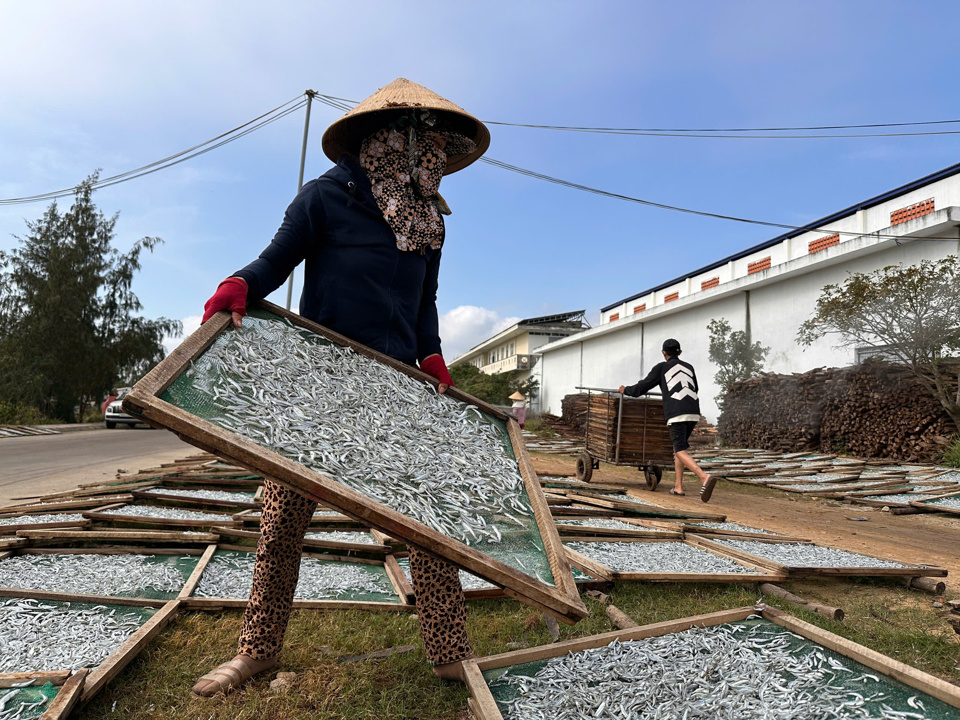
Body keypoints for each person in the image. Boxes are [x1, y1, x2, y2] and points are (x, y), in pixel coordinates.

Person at [191, 78, 490, 696]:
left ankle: (448, 652)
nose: (428, 154)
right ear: (384, 141)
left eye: (435, 144)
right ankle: (256, 651)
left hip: (399, 386)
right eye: (418, 141)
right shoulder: (326, 198)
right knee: (282, 522)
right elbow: (275, 260)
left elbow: (424, 301)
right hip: (320, 385)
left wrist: (431, 354)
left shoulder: (429, 221)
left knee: (427, 520)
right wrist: (240, 285)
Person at [618, 338, 717, 502]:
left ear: (663, 353)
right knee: (679, 448)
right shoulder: (689, 367)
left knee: (679, 450)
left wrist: (625, 390)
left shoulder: (661, 367)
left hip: (677, 414)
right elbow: (695, 388)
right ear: (680, 352)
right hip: (693, 412)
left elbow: (643, 387)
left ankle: (704, 477)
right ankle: (678, 487)